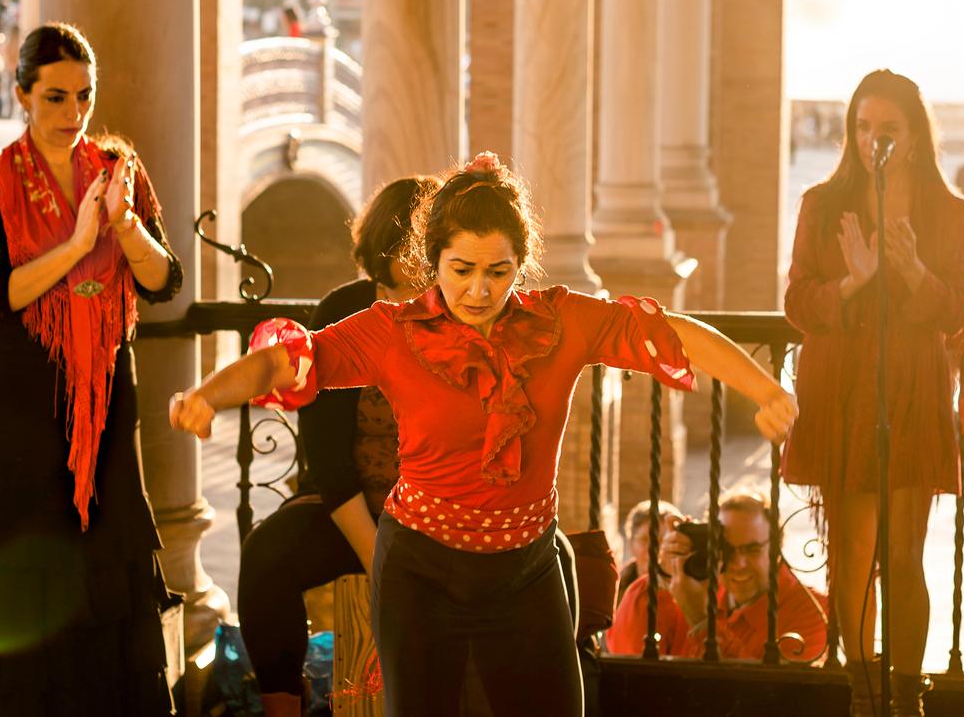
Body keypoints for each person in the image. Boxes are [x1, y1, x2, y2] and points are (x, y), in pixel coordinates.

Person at [170, 150, 798, 717]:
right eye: (462, 268)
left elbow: (672, 334)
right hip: (418, 571)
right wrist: (206, 395)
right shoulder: (392, 331)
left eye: (498, 270)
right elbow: (285, 361)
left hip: (526, 571)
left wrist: (766, 390)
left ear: (520, 264)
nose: (479, 289)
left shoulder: (562, 322)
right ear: (433, 262)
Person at [0, 22, 183, 717]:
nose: (74, 113)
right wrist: (76, 244)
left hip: (104, 397)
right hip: (19, 404)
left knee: (105, 568)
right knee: (15, 571)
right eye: (55, 97)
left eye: (84, 96)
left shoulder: (118, 168)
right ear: (21, 95)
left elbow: (164, 281)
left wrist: (124, 226)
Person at [782, 69, 964, 717]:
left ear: (915, 136)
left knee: (904, 555)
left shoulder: (947, 211)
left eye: (888, 129)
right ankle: (864, 697)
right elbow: (797, 302)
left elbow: (956, 311)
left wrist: (914, 272)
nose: (874, 141)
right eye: (863, 128)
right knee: (855, 554)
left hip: (912, 392)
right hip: (842, 391)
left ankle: (908, 696)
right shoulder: (821, 205)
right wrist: (853, 283)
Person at [236, 174, 438, 716]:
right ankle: (284, 705)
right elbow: (328, 461)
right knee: (266, 555)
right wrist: (380, 563)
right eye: (394, 283)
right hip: (357, 511)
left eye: (424, 275)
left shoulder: (461, 314)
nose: (406, 300)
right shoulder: (343, 310)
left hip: (439, 516)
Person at [606, 491, 827, 663]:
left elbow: (767, 696)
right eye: (727, 550)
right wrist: (663, 578)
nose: (739, 564)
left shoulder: (812, 610)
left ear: (777, 548)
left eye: (752, 550)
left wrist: (703, 624)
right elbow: (629, 659)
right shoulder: (693, 589)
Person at [615, 498, 680, 601]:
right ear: (630, 543)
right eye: (644, 539)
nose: (652, 549)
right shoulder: (616, 587)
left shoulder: (686, 589)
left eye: (661, 540)